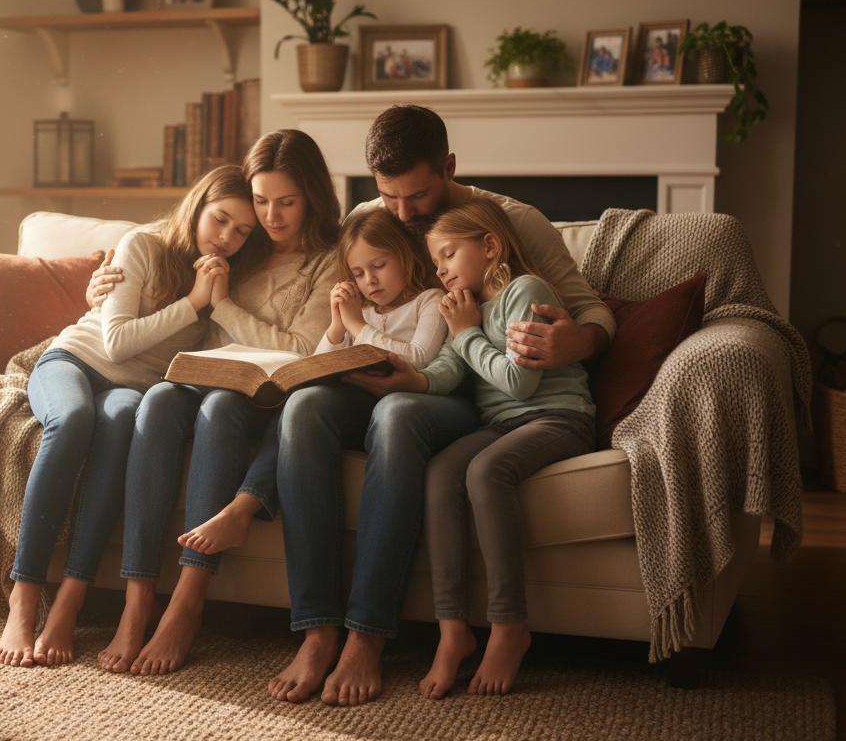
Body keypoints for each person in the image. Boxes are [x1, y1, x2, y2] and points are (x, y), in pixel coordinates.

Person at [268, 104, 616, 706]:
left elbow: (593, 308)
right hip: (401, 379)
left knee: (397, 416)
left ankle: (367, 637)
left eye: (417, 195)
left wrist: (578, 340)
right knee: (303, 411)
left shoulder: (510, 221)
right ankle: (318, 628)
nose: (401, 213)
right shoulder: (368, 220)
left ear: (449, 167)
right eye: (387, 197)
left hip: (467, 398)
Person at [0, 165, 270, 668]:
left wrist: (220, 302)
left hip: (129, 391)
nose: (228, 238)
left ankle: (72, 599)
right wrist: (193, 301)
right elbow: (117, 343)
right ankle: (25, 595)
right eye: (221, 220)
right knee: (74, 420)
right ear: (197, 206)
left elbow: (207, 354)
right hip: (74, 362)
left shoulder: (223, 277)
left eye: (243, 231)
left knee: (123, 424)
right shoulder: (143, 245)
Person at [96, 129, 342, 676]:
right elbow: (165, 254)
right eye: (261, 201)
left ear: (314, 197)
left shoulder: (329, 260)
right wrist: (101, 284)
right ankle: (136, 605)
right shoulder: (240, 239)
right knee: (157, 401)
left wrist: (226, 306)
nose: (270, 217)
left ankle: (187, 601)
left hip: (262, 392)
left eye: (287, 202)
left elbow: (303, 348)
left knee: (219, 410)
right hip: (196, 374)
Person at [182, 205, 448, 557]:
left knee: (306, 405)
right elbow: (320, 363)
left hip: (390, 407)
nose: (369, 280)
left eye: (379, 266)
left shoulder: (429, 301)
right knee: (299, 402)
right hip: (344, 406)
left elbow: (418, 357)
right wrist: (338, 326)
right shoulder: (362, 310)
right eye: (358, 272)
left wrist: (356, 326)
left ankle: (242, 507)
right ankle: (242, 507)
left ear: (405, 255)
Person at [419, 198, 596, 699]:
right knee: (440, 473)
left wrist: (466, 331)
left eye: (448, 255)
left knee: (484, 472)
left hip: (560, 419)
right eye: (437, 263)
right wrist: (398, 378)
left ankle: (508, 626)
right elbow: (448, 373)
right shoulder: (469, 310)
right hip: (501, 425)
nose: (441, 271)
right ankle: (452, 628)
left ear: (489, 245)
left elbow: (519, 384)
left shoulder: (525, 291)